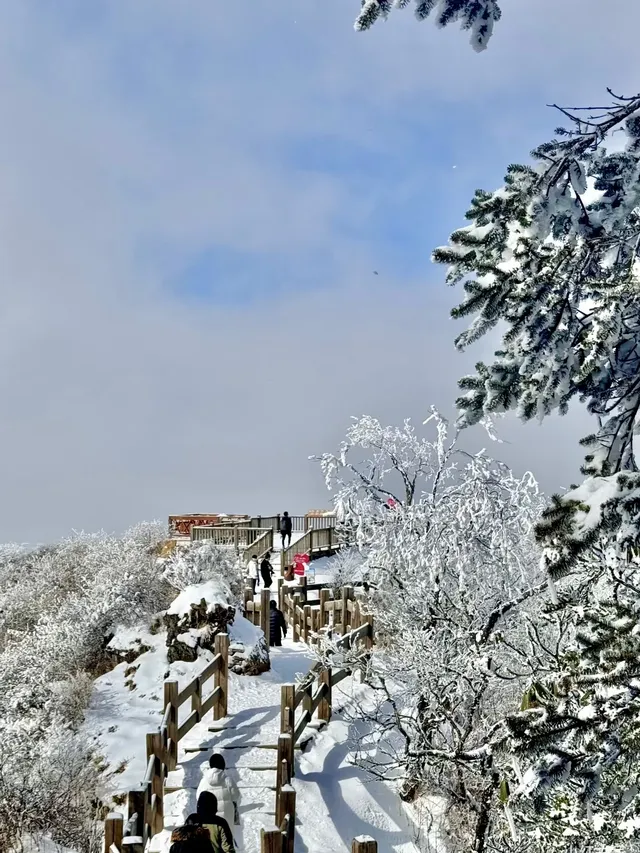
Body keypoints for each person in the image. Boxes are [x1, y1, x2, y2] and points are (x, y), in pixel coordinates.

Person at [197, 753, 240, 838]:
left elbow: (198, 796)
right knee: (226, 837)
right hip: (226, 814)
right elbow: (236, 796)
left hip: (208, 815)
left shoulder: (204, 781)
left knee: (211, 837)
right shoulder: (228, 780)